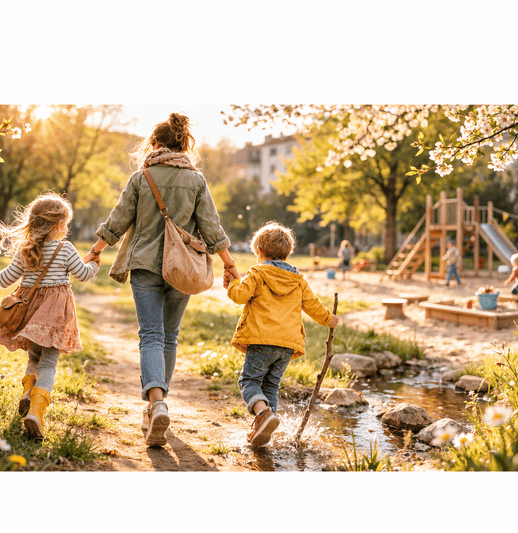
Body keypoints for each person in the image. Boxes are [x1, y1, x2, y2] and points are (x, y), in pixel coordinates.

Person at [84, 113, 238, 447]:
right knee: (169, 337)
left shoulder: (143, 177)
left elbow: (118, 218)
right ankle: (158, 404)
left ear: (154, 144)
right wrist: (229, 264)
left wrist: (96, 250)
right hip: (183, 268)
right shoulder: (196, 180)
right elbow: (212, 227)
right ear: (184, 145)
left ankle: (156, 403)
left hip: (145, 266)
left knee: (151, 336)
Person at [0, 193, 99, 439]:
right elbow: (83, 275)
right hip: (55, 316)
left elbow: (7, 278)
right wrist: (95, 263)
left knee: (34, 356)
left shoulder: (27, 249)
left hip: (30, 312)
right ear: (58, 225)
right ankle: (36, 412)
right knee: (49, 362)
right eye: (65, 222)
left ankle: (27, 394)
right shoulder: (66, 248)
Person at [224, 222, 339, 447]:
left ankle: (263, 415)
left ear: (260, 251)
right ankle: (264, 431)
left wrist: (232, 283)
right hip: (287, 345)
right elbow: (313, 305)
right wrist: (329, 319)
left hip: (261, 340)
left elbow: (240, 296)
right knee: (271, 386)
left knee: (249, 380)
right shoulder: (298, 280)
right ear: (287, 253)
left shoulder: (257, 273)